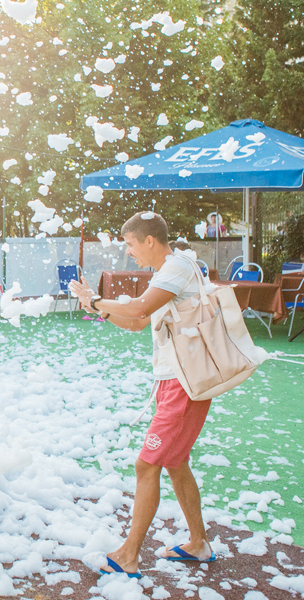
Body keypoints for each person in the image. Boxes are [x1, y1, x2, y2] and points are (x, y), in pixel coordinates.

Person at [68, 211, 216, 578]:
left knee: (146, 464)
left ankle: (129, 554)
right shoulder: (168, 271)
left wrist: (98, 302)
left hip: (182, 383)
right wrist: (96, 306)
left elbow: (138, 308)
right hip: (174, 382)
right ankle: (198, 543)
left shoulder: (176, 267)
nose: (129, 251)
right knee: (175, 462)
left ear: (149, 240)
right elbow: (137, 322)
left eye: (131, 244)